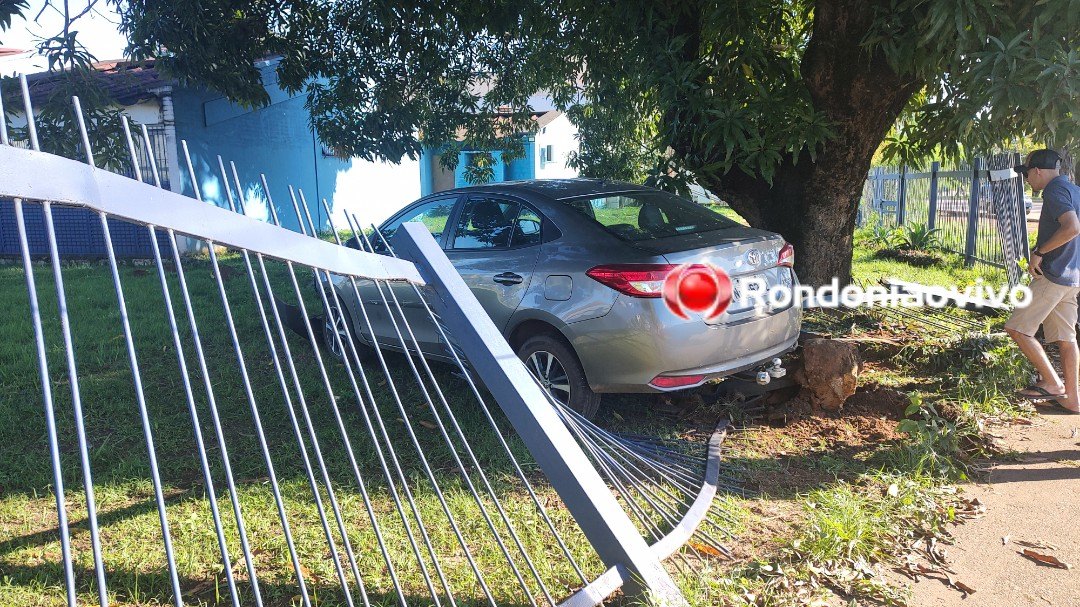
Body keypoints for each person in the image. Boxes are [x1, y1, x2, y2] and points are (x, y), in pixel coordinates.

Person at [1006, 149, 1080, 413]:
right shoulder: (1074, 190)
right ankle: (1073, 399)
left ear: (1037, 171)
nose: (1026, 180)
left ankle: (1052, 383)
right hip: (1072, 277)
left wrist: (1039, 252)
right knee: (1066, 339)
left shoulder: (1054, 191)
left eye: (1026, 174)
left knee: (1018, 329)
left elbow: (1072, 227)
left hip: (1053, 275)